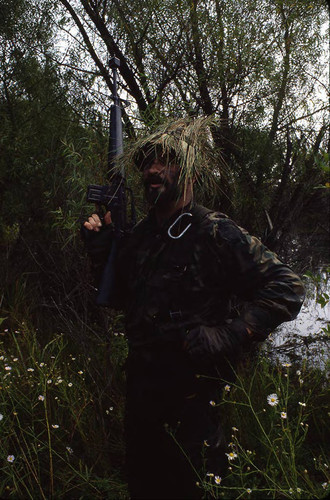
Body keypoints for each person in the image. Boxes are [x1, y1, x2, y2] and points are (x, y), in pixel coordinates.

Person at [82, 118, 305, 499]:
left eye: (165, 160)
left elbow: (288, 288)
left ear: (188, 168)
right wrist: (101, 251)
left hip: (193, 404)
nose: (152, 170)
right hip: (142, 398)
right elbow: (123, 302)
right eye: (147, 163)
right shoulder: (140, 236)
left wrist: (230, 333)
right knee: (143, 485)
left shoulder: (214, 231)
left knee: (192, 487)